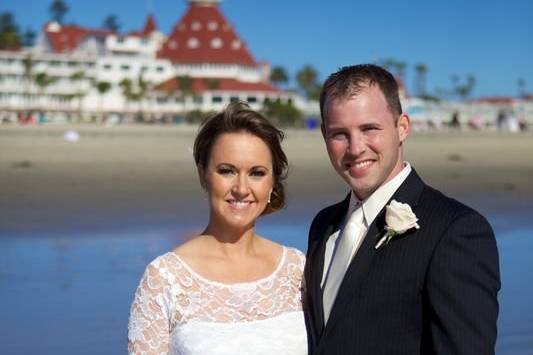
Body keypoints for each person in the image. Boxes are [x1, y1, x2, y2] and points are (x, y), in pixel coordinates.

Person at [304, 64, 500, 354]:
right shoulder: (323, 224)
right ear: (324, 136)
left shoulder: (456, 230)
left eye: (369, 128)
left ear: (402, 127)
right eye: (339, 134)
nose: (355, 148)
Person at [128, 102, 307, 355]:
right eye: (227, 171)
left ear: (272, 183)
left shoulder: (298, 269)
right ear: (203, 175)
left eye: (256, 173)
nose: (242, 189)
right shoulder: (164, 279)